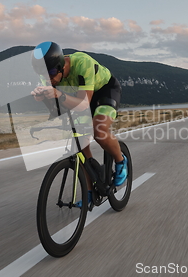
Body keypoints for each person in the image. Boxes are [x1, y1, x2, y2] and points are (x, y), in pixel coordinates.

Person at [30, 41, 127, 200]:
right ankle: (90, 190)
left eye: (52, 73)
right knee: (79, 144)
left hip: (104, 91)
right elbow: (56, 107)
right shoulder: (48, 76)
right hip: (78, 97)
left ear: (61, 65)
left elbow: (83, 104)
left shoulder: (82, 63)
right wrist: (42, 97)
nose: (50, 79)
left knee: (99, 130)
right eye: (44, 75)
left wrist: (57, 95)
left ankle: (121, 161)